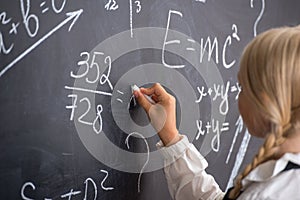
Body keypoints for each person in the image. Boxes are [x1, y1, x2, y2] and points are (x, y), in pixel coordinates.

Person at [133, 25, 300, 199]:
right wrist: (171, 136)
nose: (237, 97)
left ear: (265, 100)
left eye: (242, 87)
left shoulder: (266, 194)